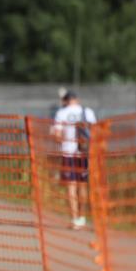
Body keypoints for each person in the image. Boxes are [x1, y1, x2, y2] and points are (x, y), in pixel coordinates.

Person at [52, 91, 97, 230]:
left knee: (71, 185)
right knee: (82, 185)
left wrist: (58, 136)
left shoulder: (61, 113)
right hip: (83, 152)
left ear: (65, 101)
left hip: (68, 152)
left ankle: (74, 218)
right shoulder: (87, 111)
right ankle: (82, 218)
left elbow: (57, 136)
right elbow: (95, 132)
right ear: (77, 99)